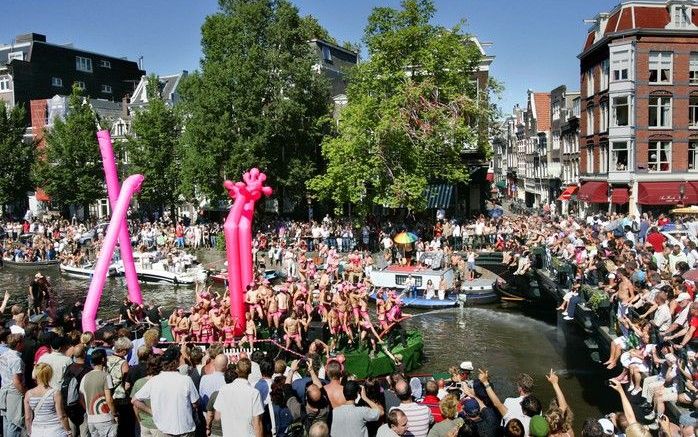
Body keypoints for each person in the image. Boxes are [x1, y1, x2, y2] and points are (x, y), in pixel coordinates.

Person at [132, 346, 200, 437]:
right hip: (184, 428)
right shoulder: (186, 380)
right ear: (176, 362)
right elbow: (195, 403)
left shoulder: (154, 380)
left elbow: (134, 400)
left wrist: (151, 411)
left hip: (165, 429)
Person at [213, 357, 264, 437]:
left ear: (236, 370)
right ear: (250, 372)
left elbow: (217, 417)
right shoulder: (254, 393)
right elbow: (257, 423)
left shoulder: (224, 389)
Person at [23, 362, 71, 436]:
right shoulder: (55, 393)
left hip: (37, 430)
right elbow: (61, 416)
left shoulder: (28, 394)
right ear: (49, 375)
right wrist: (69, 432)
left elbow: (28, 417)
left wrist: (30, 432)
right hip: (55, 430)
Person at [79, 348, 117, 437]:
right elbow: (109, 399)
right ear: (103, 359)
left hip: (91, 419)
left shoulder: (85, 377)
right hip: (105, 418)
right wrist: (114, 413)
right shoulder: (106, 376)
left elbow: (81, 398)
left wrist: (88, 410)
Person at [0, 333, 26, 437]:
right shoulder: (16, 360)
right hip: (14, 394)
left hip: (4, 391)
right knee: (15, 424)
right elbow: (16, 381)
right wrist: (26, 393)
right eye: (23, 342)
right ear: (18, 344)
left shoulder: (4, 356)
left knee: (7, 423)